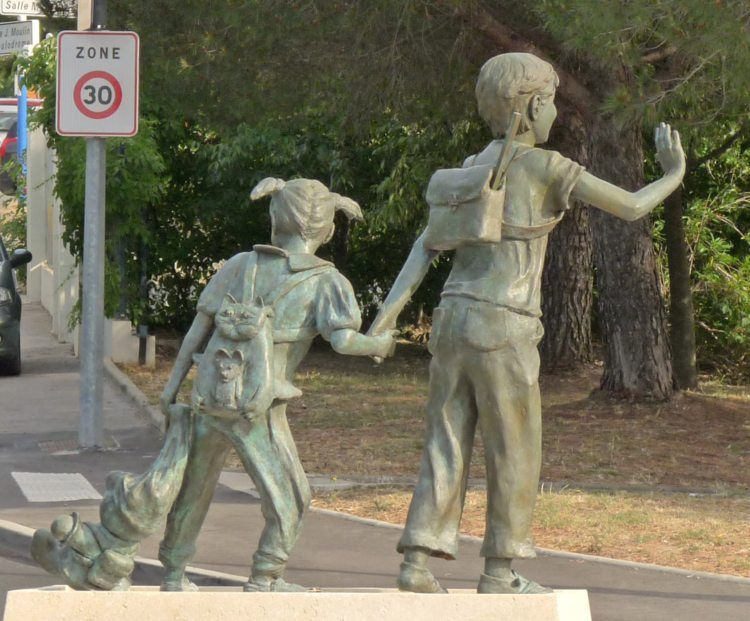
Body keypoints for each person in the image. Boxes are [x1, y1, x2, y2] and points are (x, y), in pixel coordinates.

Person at [368, 52, 686, 594]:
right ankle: (500, 571)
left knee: (446, 440)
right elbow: (631, 207)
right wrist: (673, 174)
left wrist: (384, 319)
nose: (556, 113)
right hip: (505, 325)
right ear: (534, 104)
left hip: (452, 319)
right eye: (552, 102)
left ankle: (417, 560)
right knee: (514, 446)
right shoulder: (547, 167)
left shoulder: (468, 169)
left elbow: (425, 249)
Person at [158, 177, 396, 592]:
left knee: (195, 488)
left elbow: (199, 328)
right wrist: (382, 344)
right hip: (259, 406)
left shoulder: (239, 265)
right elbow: (343, 342)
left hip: (211, 397)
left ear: (274, 217)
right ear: (328, 229)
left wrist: (172, 385)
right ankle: (266, 576)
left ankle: (174, 574)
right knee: (291, 495)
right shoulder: (328, 281)